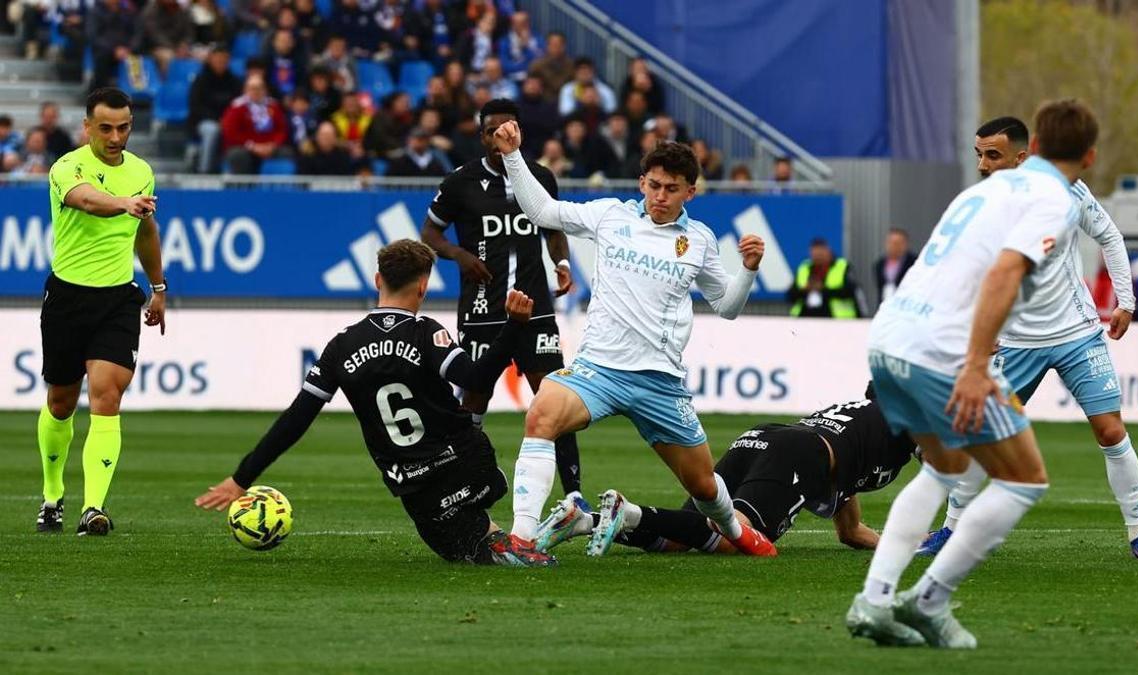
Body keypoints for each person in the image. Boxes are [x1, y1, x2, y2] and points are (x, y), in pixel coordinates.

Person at [845, 99, 1100, 649]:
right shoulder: (1054, 199)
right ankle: (929, 601)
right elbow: (1004, 275)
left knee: (944, 467)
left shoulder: (984, 190)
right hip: (942, 352)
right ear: (1090, 156)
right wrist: (977, 366)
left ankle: (875, 599)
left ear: (1030, 151)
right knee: (1024, 478)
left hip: (891, 338)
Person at [489, 118, 775, 557]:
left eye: (672, 188)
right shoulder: (610, 214)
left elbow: (728, 307)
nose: (660, 196)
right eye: (654, 185)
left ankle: (737, 534)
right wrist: (512, 156)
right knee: (540, 415)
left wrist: (750, 270)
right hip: (598, 370)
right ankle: (522, 540)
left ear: (690, 192)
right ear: (642, 181)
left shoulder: (698, 240)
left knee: (701, 483)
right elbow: (543, 212)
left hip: (659, 381)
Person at [194, 241, 555, 567]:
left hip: (416, 493)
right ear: (424, 286)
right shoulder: (426, 332)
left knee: (465, 550)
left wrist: (242, 478)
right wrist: (515, 327)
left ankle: (506, 535)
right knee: (487, 532)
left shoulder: (341, 346)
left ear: (377, 279)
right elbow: (476, 380)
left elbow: (296, 419)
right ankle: (537, 527)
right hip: (469, 467)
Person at [916, 116, 1138, 561]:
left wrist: (1125, 301)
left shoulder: (1066, 191)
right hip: (1015, 342)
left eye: (992, 155)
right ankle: (951, 528)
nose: (982, 165)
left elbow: (1109, 235)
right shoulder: (981, 204)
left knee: (1111, 430)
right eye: (978, 154)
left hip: (1077, 333)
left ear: (1023, 156)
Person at [419, 99, 584, 499]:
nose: (500, 138)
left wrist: (561, 262)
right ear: (482, 136)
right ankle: (461, 481)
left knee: (552, 398)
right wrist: (459, 255)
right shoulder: (459, 182)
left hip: (535, 309)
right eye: (493, 131)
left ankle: (575, 496)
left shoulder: (540, 177)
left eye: (507, 129)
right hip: (482, 310)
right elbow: (430, 233)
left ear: (519, 132)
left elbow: (553, 227)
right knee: (474, 396)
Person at [538, 387, 917, 555]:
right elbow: (943, 464)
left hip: (765, 437)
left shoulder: (866, 428)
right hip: (800, 454)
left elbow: (850, 532)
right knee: (734, 538)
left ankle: (585, 521)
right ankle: (629, 511)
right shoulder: (902, 424)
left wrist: (906, 546)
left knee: (680, 536)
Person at [35, 88, 166, 536]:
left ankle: (93, 508)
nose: (115, 137)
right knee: (61, 402)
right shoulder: (66, 167)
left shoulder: (142, 172)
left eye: (124, 127)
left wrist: (159, 287)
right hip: (68, 298)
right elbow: (87, 200)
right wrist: (123, 204)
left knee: (107, 396)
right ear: (87, 126)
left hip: (117, 299)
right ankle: (52, 496)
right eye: (106, 127)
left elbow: (146, 231)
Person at [220, 74, 291, 174]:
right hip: (245, 147)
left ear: (265, 90)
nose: (256, 91)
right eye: (252, 88)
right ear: (245, 90)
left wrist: (272, 145)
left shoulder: (273, 106)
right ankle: (241, 189)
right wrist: (252, 146)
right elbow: (231, 133)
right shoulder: (237, 107)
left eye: (259, 88)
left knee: (287, 153)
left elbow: (281, 129)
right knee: (237, 155)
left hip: (269, 147)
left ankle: (282, 188)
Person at [188, 48, 242, 174]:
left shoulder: (234, 81)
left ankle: (232, 172)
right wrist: (218, 120)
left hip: (229, 120)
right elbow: (196, 106)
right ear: (211, 59)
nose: (221, 62)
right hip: (204, 121)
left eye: (224, 59)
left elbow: (237, 104)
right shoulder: (200, 80)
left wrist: (227, 120)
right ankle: (205, 170)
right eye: (218, 59)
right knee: (212, 130)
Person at [787, 238, 866, 318]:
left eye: (821, 254)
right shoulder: (803, 268)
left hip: (836, 319)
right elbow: (790, 295)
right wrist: (806, 290)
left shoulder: (842, 267)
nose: (818, 258)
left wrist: (823, 290)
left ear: (828, 252)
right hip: (805, 317)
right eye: (815, 255)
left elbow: (852, 291)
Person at [872, 228, 916, 305]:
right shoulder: (879, 264)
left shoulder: (914, 263)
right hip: (885, 304)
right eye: (891, 242)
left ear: (905, 244)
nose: (894, 246)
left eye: (898, 243)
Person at [387, 127, 452, 177]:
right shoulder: (399, 159)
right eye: (416, 138)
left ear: (427, 141)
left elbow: (445, 176)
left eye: (422, 139)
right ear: (409, 140)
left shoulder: (436, 159)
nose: (419, 142)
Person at [527, 31, 571, 100]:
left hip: (565, 102)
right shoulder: (537, 65)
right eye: (553, 45)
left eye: (559, 45)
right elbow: (529, 86)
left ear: (564, 47)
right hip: (542, 102)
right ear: (547, 46)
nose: (556, 48)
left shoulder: (571, 66)